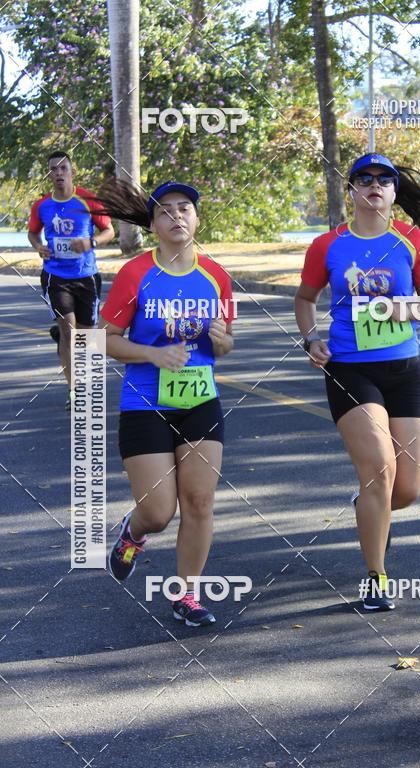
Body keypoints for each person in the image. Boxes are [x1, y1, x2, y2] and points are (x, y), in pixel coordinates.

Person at [294, 153, 420, 613]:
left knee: (408, 488)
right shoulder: (328, 244)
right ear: (353, 190)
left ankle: (369, 507)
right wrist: (310, 338)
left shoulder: (412, 240)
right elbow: (305, 298)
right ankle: (376, 578)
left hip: (403, 369)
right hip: (349, 369)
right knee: (381, 469)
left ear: (394, 193)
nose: (374, 185)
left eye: (384, 180)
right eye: (364, 179)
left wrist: (406, 308)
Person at [97, 180, 235, 627]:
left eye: (185, 209)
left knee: (199, 501)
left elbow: (227, 343)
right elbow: (105, 340)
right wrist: (153, 353)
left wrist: (222, 340)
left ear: (196, 219)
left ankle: (187, 595)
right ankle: (132, 533)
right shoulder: (136, 274)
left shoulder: (216, 274)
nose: (177, 216)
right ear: (154, 224)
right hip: (145, 402)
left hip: (200, 400)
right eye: (166, 211)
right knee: (158, 512)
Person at [27, 150, 115, 408]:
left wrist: (91, 241)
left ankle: (71, 350)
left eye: (63, 168)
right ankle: (74, 391)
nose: (58, 173)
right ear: (49, 174)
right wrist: (38, 247)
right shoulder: (42, 205)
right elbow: (33, 233)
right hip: (56, 276)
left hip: (86, 276)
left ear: (71, 171)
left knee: (87, 337)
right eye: (53, 169)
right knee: (68, 330)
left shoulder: (87, 199)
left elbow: (109, 230)